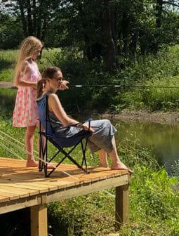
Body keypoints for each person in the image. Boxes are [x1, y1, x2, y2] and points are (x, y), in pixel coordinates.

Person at [36, 66, 131, 173]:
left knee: (96, 126)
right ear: (48, 80)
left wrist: (57, 87)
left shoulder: (41, 97)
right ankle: (116, 162)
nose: (61, 81)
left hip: (56, 136)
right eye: (58, 79)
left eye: (62, 79)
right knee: (106, 124)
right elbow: (65, 121)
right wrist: (81, 125)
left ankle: (104, 163)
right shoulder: (52, 97)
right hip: (66, 135)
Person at [12, 36, 44, 167]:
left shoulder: (34, 64)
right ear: (31, 49)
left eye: (40, 51)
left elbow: (40, 80)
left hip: (37, 97)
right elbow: (17, 81)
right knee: (31, 129)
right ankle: (30, 159)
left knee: (42, 128)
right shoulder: (25, 63)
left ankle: (42, 158)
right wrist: (32, 84)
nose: (39, 53)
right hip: (28, 99)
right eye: (37, 50)